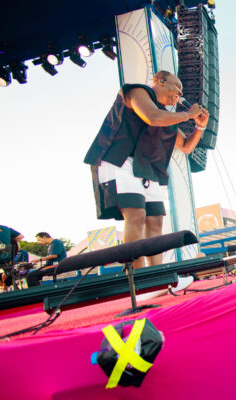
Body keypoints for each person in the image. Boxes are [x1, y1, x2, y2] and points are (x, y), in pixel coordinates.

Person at [84, 70, 209, 269]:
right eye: (177, 86)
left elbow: (186, 146)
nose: (180, 93)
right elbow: (153, 117)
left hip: (146, 168)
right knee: (136, 215)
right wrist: (188, 114)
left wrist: (199, 127)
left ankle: (157, 274)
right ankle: (139, 276)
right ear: (160, 80)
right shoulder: (138, 92)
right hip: (120, 159)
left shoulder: (167, 116)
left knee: (155, 220)